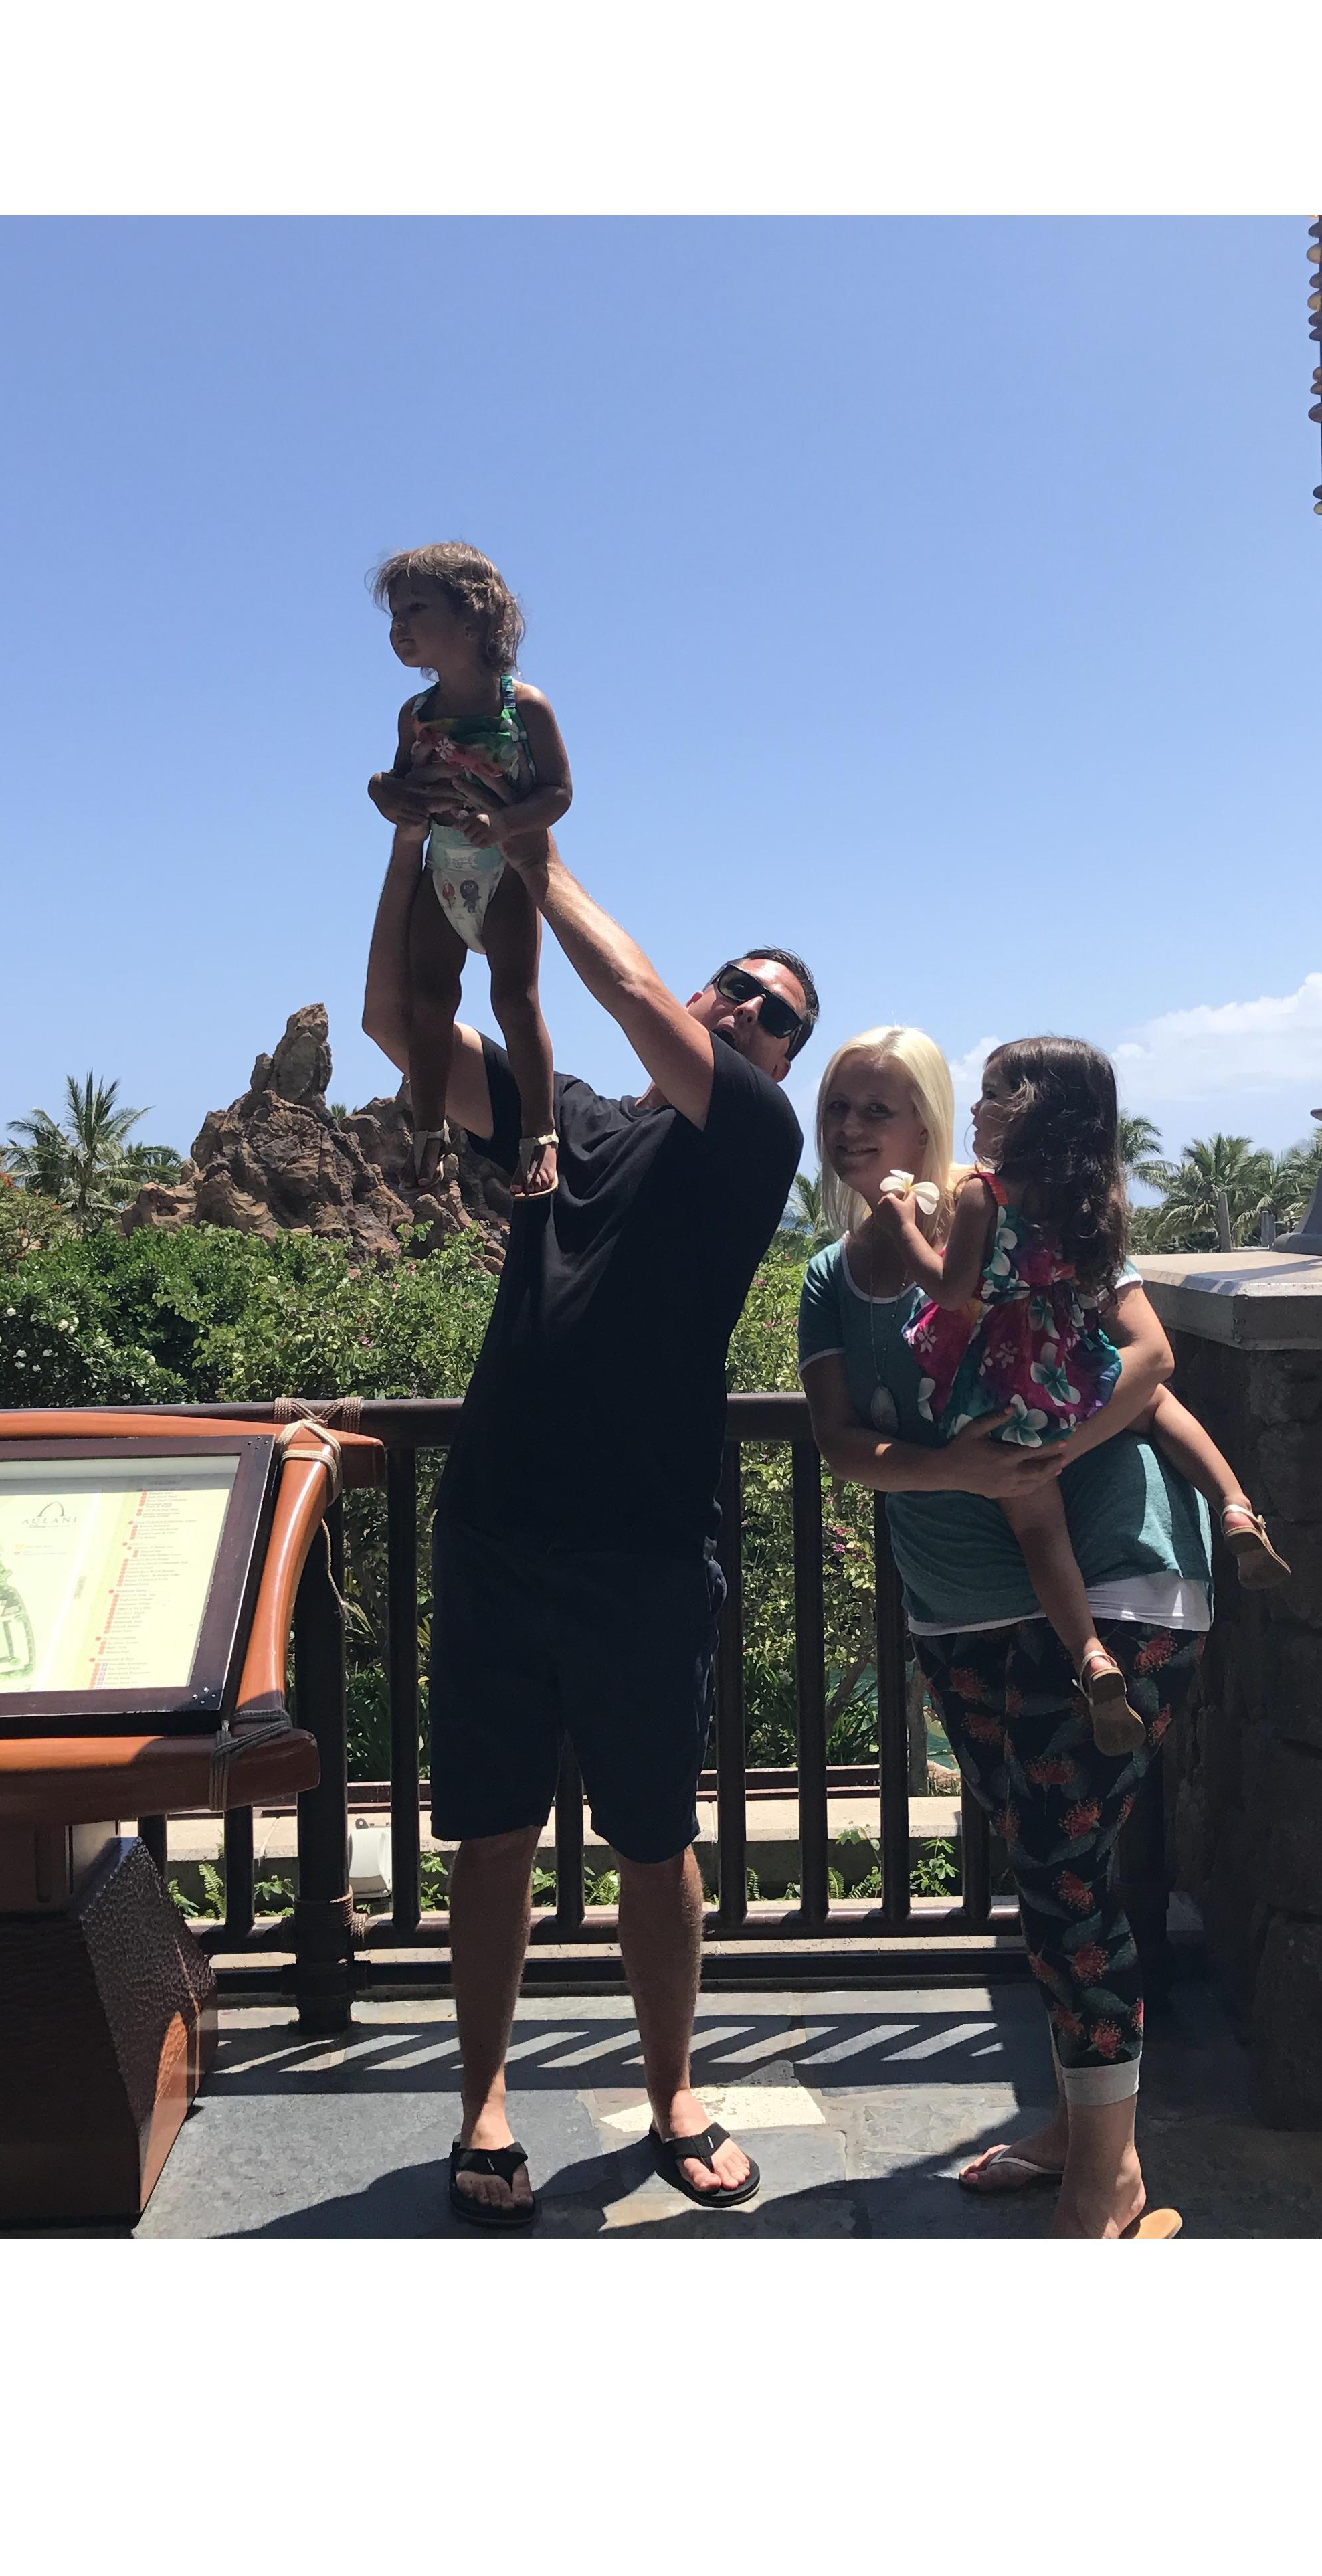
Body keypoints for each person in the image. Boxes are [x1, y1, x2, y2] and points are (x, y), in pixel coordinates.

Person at [361, 770, 813, 2231]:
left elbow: (629, 997)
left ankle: (673, 2089)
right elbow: (401, 1032)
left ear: (784, 1063)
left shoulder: (753, 1146)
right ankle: (484, 2098)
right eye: (736, 988)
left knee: (652, 1841)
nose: (747, 1010)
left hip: (645, 1543)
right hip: (497, 1526)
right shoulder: (571, 1118)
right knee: (488, 1834)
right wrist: (414, 850)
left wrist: (528, 855)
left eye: (776, 1015)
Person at [797, 1024, 1224, 2239]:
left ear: (935, 1120)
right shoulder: (828, 1278)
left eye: (879, 1105)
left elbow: (1147, 1356)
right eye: (836, 1108)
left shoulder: (1028, 1221)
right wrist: (961, 1470)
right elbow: (840, 1445)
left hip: (1117, 1584)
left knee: (1065, 1876)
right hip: (961, 1613)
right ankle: (1077, 2132)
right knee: (1050, 1877)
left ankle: (1111, 2177)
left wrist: (1059, 1451)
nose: (851, 1129)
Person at [856, 1037, 1263, 1758]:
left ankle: (1091, 1659)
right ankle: (1233, 1507)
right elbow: (1134, 1334)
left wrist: (902, 1226)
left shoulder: (986, 1193)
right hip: (1073, 1362)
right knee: (1158, 1403)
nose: (975, 1109)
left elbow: (953, 1290)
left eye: (991, 1094)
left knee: (1040, 1531)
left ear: (1030, 1111)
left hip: (1009, 1377)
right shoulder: (1088, 1199)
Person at [373, 543, 574, 1204]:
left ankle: (538, 1135)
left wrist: (507, 825)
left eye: (416, 609)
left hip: (507, 872)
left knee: (514, 999)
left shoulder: (524, 709)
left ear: (475, 618)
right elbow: (401, 788)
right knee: (429, 1004)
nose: (399, 624)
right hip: (442, 871)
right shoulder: (417, 715)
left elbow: (559, 795)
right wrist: (382, 790)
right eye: (394, 613)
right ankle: (428, 1131)